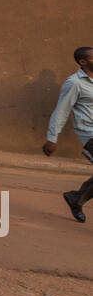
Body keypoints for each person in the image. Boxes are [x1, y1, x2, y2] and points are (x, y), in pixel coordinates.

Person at [43, 45, 93, 223]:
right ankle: (77, 199)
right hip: (89, 133)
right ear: (83, 62)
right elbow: (62, 110)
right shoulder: (74, 83)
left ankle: (76, 199)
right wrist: (52, 138)